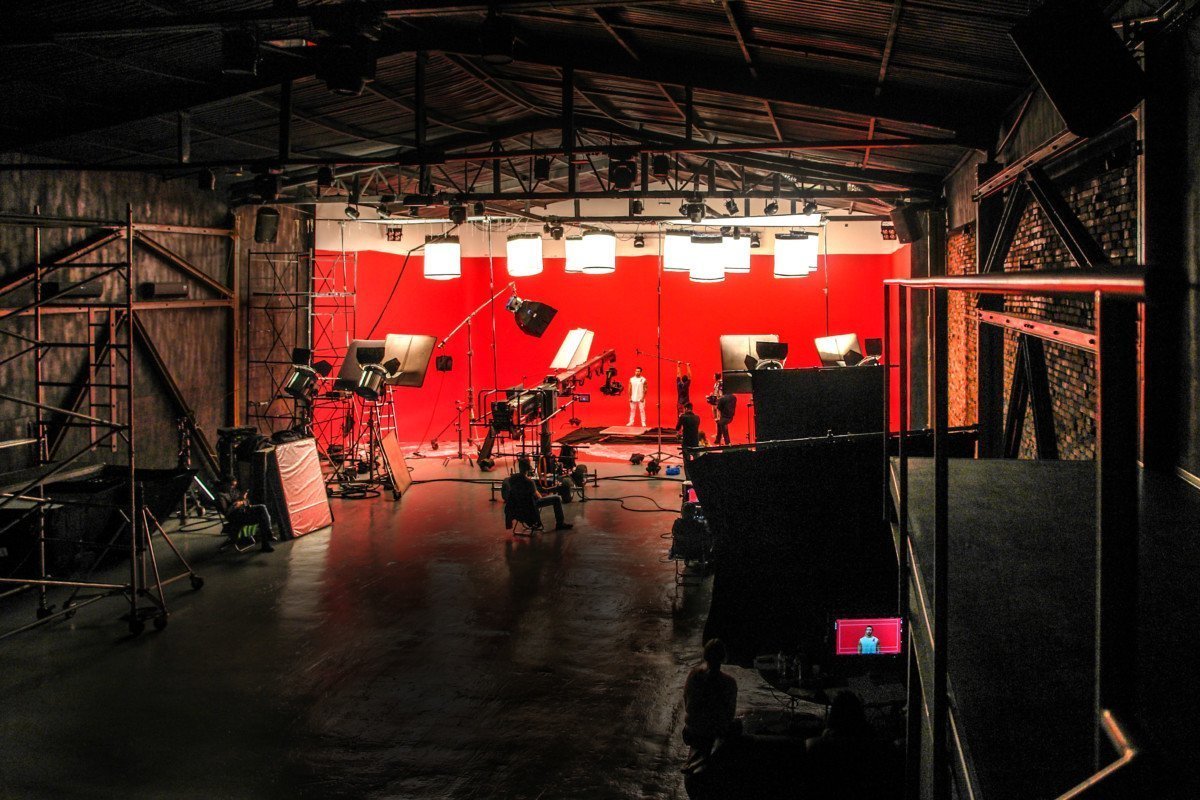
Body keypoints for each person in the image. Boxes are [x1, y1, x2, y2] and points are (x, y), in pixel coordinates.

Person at [682, 638, 739, 764]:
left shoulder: (693, 675)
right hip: (713, 731)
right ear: (723, 658)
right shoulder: (729, 683)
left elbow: (688, 705)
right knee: (737, 725)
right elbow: (730, 715)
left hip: (692, 731)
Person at [505, 462, 573, 531]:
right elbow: (539, 497)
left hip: (518, 505)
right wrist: (548, 493)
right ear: (528, 469)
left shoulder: (512, 479)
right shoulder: (529, 482)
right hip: (530, 506)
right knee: (557, 499)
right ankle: (560, 524)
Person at [216, 479, 274, 553]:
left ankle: (267, 538)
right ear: (225, 484)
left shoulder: (234, 491)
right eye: (231, 485)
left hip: (244, 511)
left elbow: (246, 501)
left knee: (262, 508)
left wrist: (243, 501)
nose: (233, 487)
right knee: (262, 516)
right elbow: (227, 512)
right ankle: (268, 537)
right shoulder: (221, 496)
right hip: (236, 517)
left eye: (234, 485)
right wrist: (236, 504)